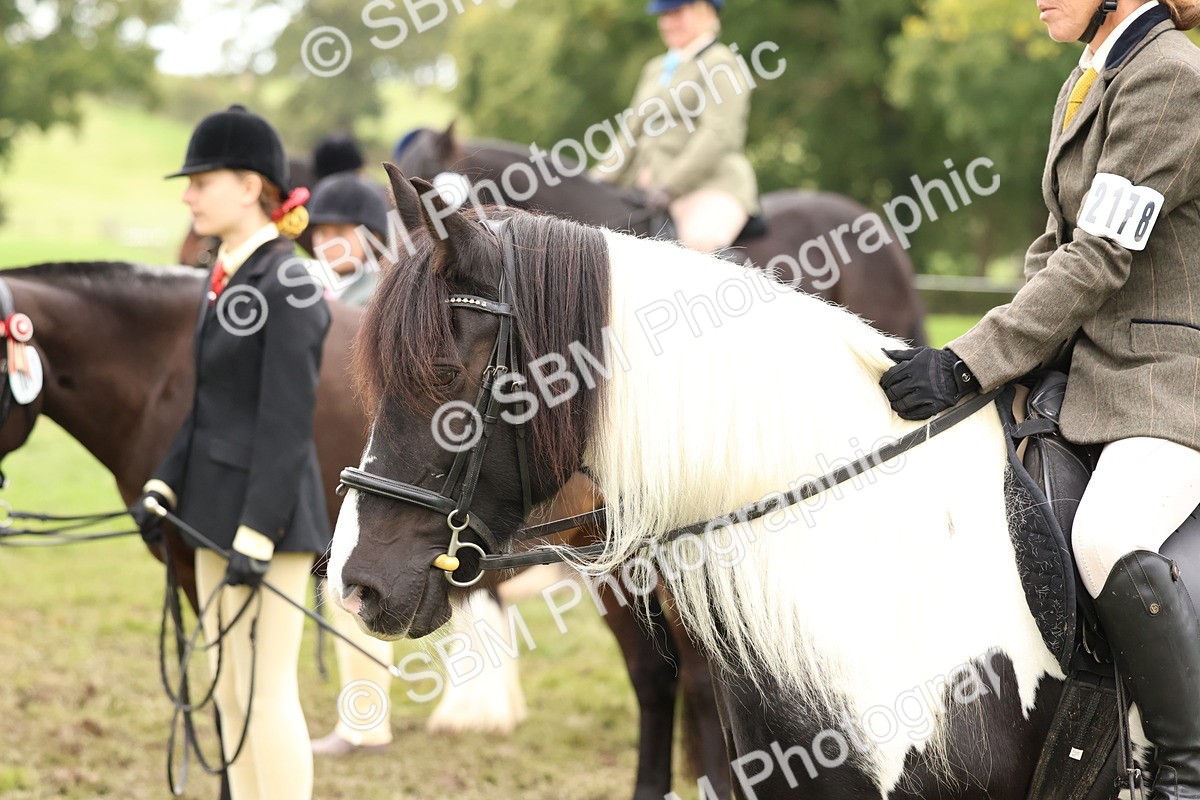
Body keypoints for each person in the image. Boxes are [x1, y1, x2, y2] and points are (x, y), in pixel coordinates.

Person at [879, 2, 1200, 798]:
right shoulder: (1094, 70)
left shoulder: (1168, 78)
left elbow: (1098, 258)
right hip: (1086, 366)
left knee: (1108, 533)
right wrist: (994, 362)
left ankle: (1185, 770)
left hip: (1165, 374)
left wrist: (968, 363)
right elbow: (1054, 244)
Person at [130, 104, 330, 799]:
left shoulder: (290, 282)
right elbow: (209, 405)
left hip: (269, 522)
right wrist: (164, 482)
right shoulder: (224, 277)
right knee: (229, 692)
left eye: (200, 181)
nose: (187, 196)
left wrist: (258, 530)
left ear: (250, 187)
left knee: (269, 694)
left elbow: (285, 422)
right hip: (212, 512)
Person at [594, 0, 759, 254]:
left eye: (676, 13)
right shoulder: (655, 68)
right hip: (643, 190)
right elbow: (630, 131)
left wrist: (670, 185)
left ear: (704, 12)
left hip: (706, 187)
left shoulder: (721, 62)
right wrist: (598, 178)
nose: (667, 23)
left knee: (698, 244)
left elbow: (717, 134)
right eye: (664, 15)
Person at [306, 172, 392, 309]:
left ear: (373, 238)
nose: (328, 244)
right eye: (322, 232)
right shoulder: (313, 286)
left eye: (340, 233)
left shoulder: (378, 299)